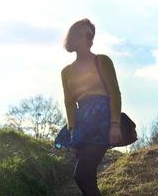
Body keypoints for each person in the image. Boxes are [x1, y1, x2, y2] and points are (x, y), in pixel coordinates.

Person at [61, 18, 122, 196]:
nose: (88, 38)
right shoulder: (66, 72)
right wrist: (72, 131)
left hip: (102, 121)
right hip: (82, 124)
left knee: (81, 175)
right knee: (87, 177)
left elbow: (115, 93)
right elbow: (69, 102)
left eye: (90, 35)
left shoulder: (102, 61)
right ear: (74, 38)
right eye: (83, 34)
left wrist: (115, 124)